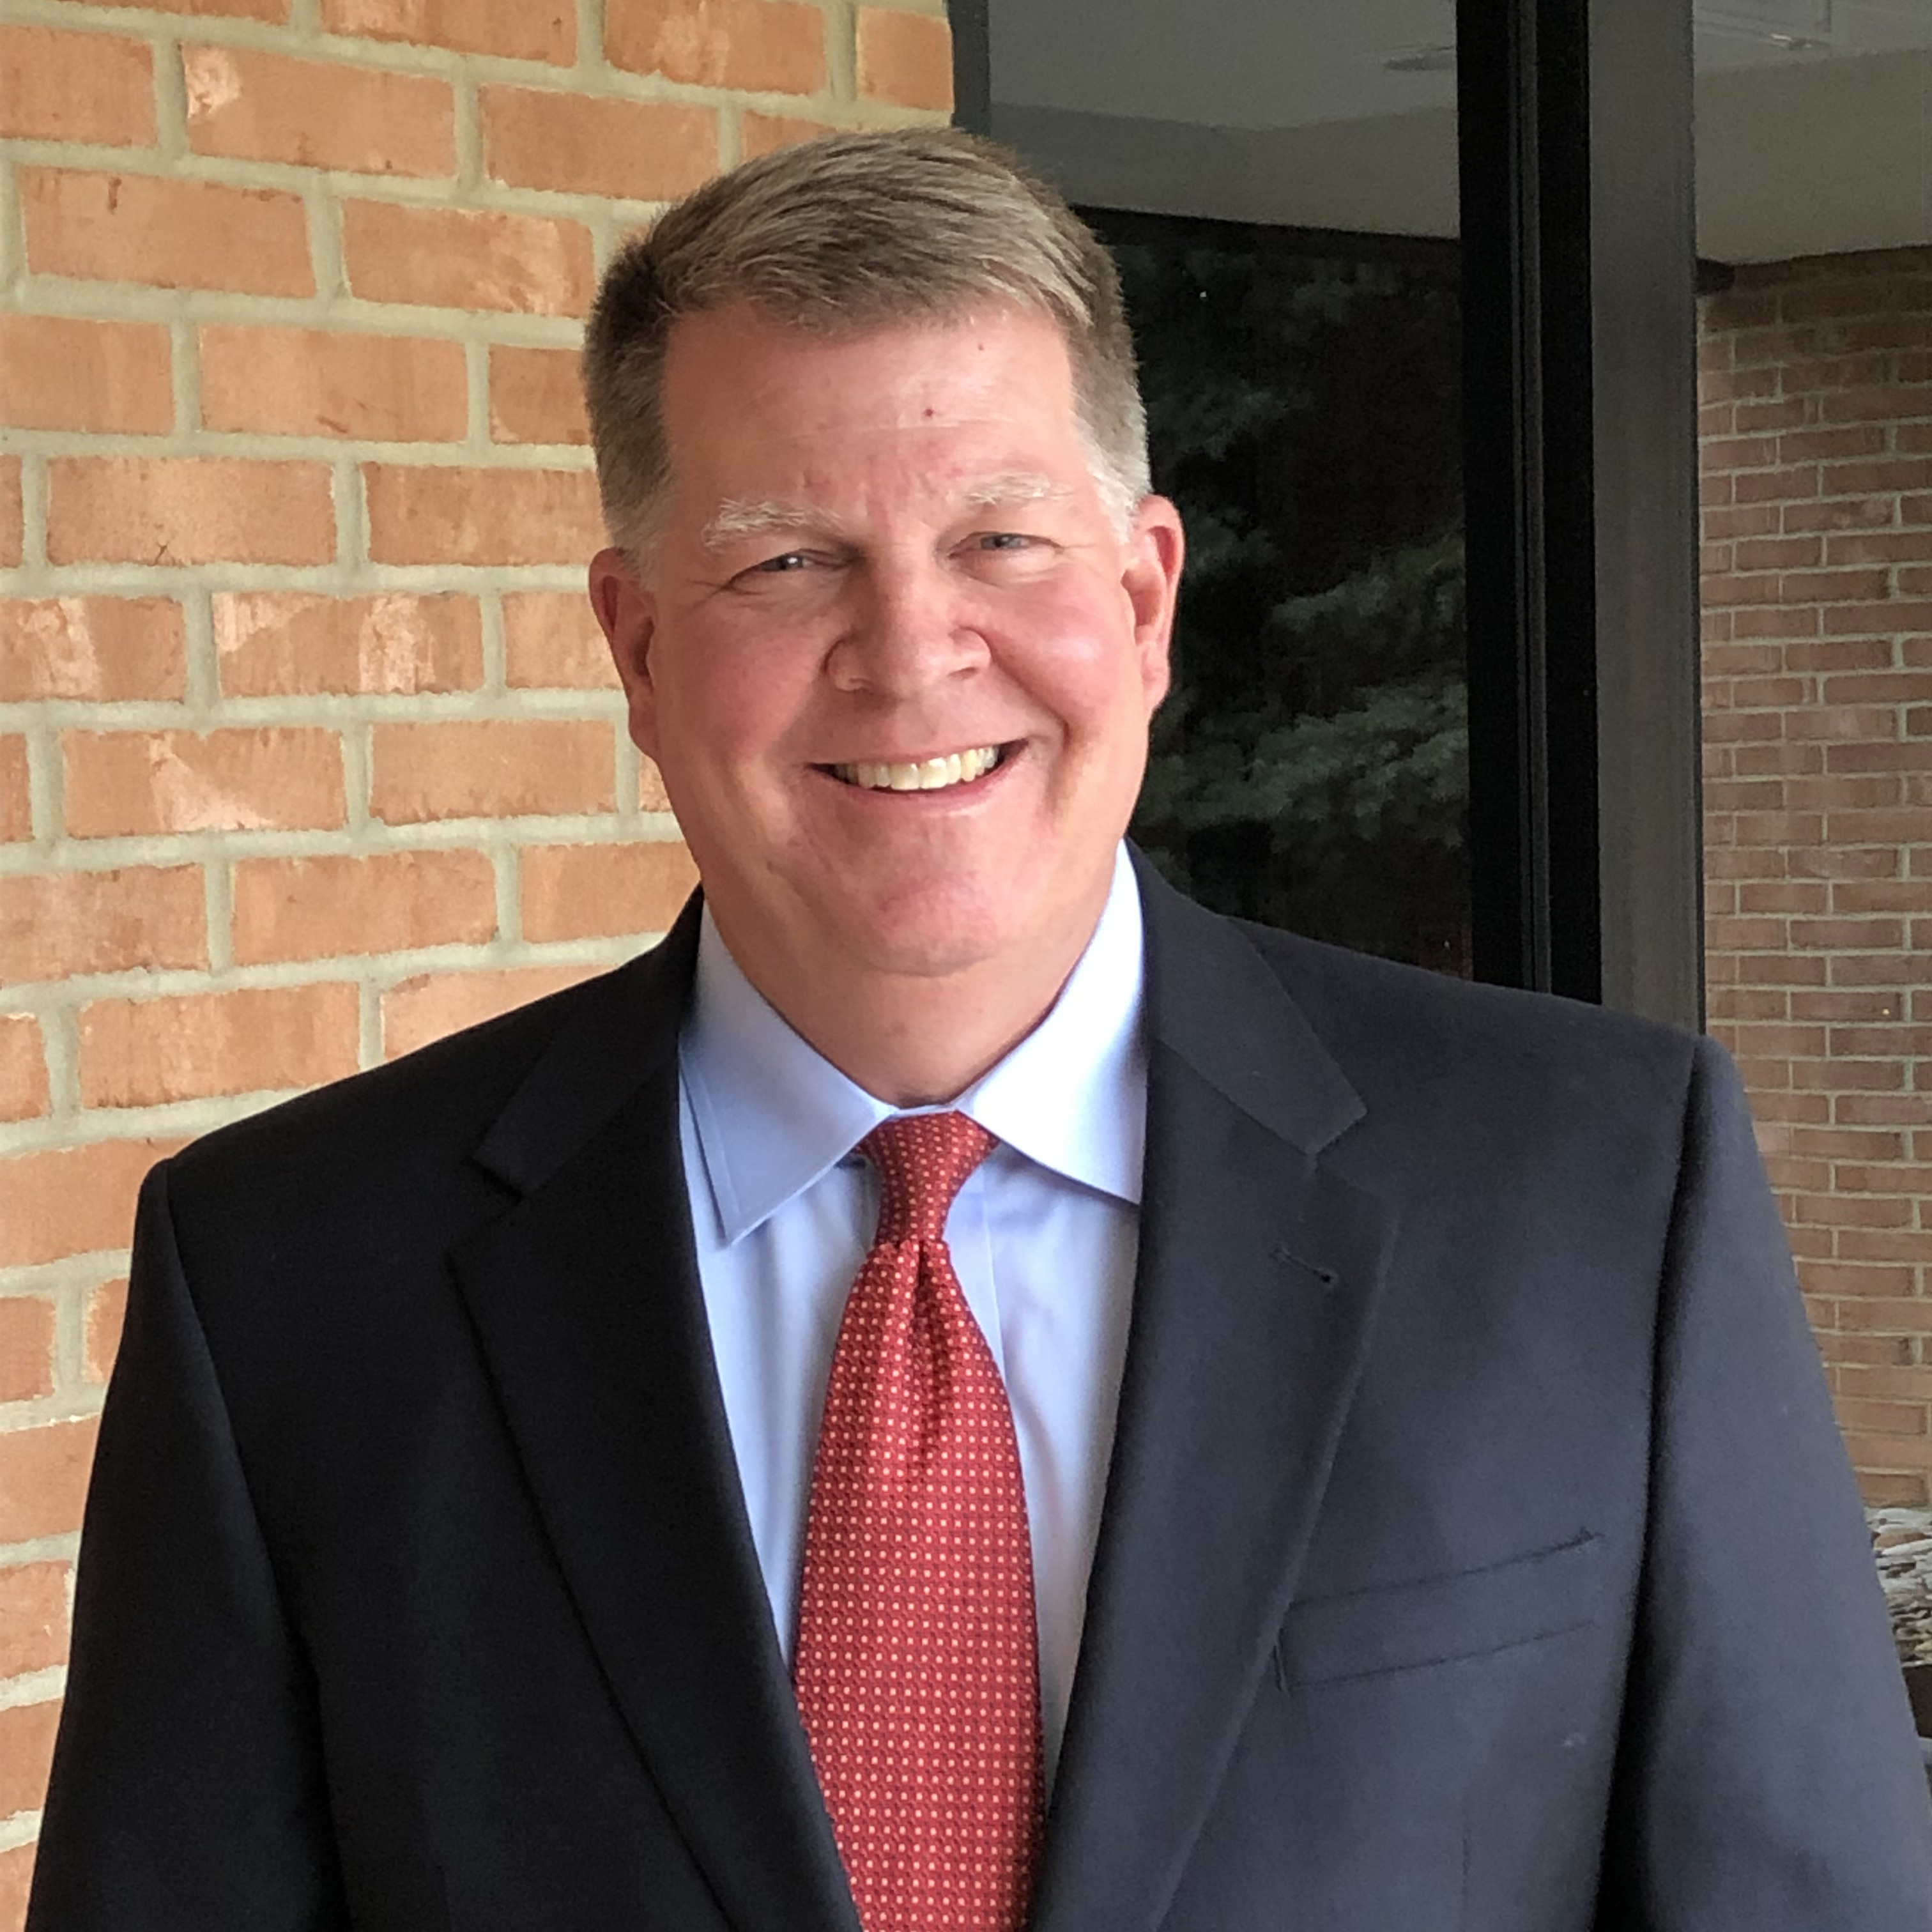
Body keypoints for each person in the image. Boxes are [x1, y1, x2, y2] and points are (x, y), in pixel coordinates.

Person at [28, 130, 1931, 1932]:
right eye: (787, 560)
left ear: (1148, 599)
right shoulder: (289, 1283)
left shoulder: (1599, 1185)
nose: (913, 652)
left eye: (1003, 540)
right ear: (638, 647)